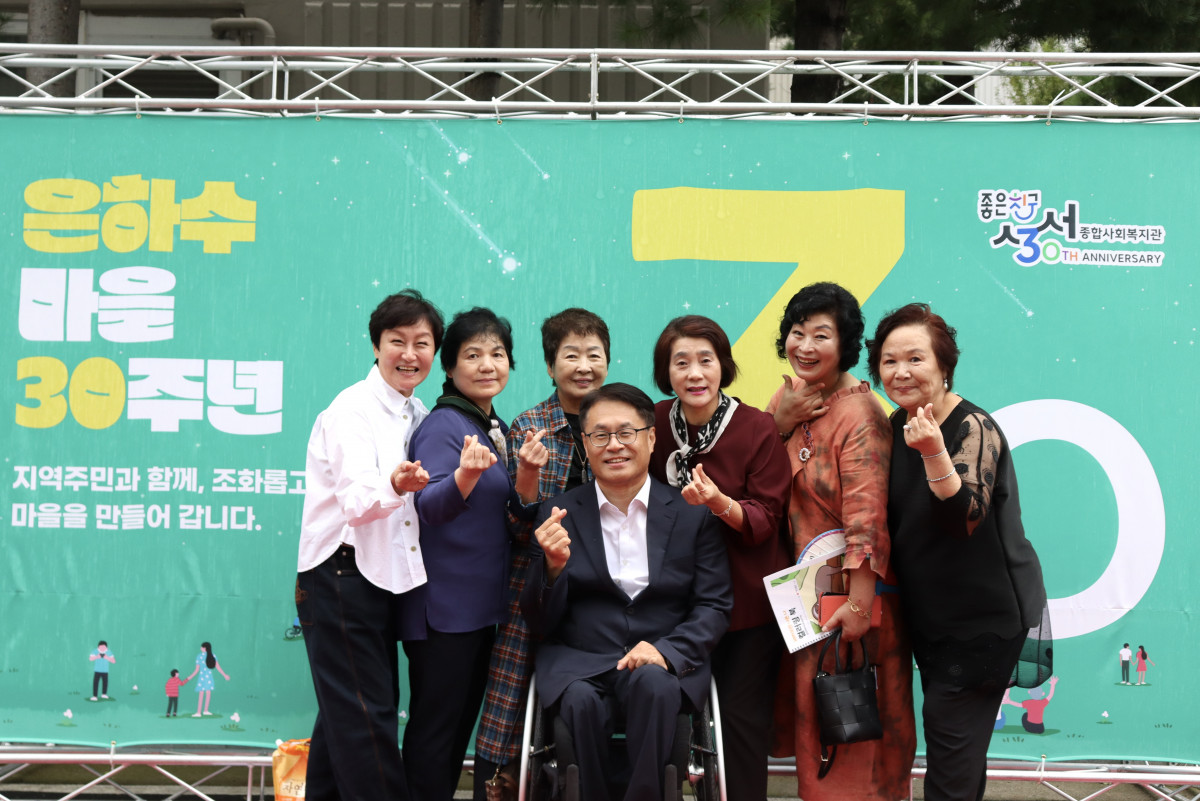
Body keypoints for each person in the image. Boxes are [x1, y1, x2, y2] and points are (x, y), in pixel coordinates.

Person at [867, 302, 1049, 801]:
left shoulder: (973, 427)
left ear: (944, 366)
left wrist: (933, 451)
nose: (901, 371)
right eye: (889, 361)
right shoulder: (897, 424)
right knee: (958, 753)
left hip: (980, 623)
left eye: (915, 358)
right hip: (933, 620)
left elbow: (964, 517)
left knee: (951, 754)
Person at [520, 383, 733, 801]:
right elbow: (539, 620)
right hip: (580, 660)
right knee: (578, 700)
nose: (614, 445)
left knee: (655, 684)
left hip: (661, 656)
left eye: (626, 432)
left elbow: (714, 605)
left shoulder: (692, 515)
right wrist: (552, 569)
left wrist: (668, 652)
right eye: (600, 435)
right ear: (586, 445)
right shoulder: (558, 513)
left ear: (651, 438)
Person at [764, 283, 915, 801]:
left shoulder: (862, 414)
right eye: (797, 332)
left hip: (852, 600)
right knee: (817, 726)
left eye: (821, 335)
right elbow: (756, 479)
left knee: (851, 730)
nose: (805, 346)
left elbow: (867, 519)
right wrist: (779, 423)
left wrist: (859, 605)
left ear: (845, 344)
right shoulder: (787, 398)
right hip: (804, 598)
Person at [295, 288, 444, 801]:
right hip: (339, 577)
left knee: (345, 718)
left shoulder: (416, 412)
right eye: (397, 341)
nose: (410, 354)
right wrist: (396, 484)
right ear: (376, 345)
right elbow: (358, 502)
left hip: (376, 577)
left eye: (422, 343)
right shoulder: (352, 410)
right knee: (366, 718)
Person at [646, 315, 791, 801]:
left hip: (744, 606)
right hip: (671, 600)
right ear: (666, 372)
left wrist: (718, 503)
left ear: (723, 366)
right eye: (681, 362)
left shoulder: (756, 428)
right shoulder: (652, 425)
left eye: (705, 361)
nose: (695, 374)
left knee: (739, 722)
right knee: (662, 711)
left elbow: (768, 518)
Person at [404, 307, 544, 801]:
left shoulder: (491, 424)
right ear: (448, 366)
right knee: (435, 733)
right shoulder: (444, 426)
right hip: (445, 611)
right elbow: (429, 506)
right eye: (473, 355)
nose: (488, 365)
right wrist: (465, 475)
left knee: (453, 731)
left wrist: (526, 475)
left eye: (498, 354)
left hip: (478, 611)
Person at [473, 308, 611, 798]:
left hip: (605, 586)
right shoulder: (530, 426)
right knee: (510, 690)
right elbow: (514, 527)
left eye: (594, 355)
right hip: (534, 577)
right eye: (570, 355)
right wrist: (528, 475)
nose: (584, 366)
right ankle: (498, 781)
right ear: (551, 366)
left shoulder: (619, 423)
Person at [185, 641, 230, 716]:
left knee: (201, 694)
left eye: (202, 647)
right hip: (209, 677)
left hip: (202, 677)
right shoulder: (213, 655)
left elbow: (196, 670)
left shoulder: (199, 656)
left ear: (205, 648)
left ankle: (199, 712)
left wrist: (189, 678)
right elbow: (218, 667)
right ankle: (205, 711)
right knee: (208, 693)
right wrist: (224, 675)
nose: (200, 648)